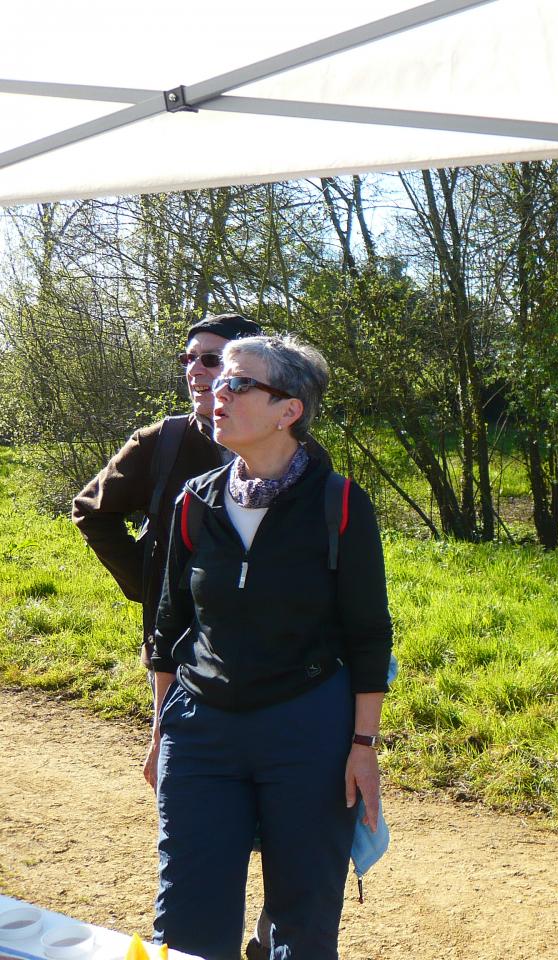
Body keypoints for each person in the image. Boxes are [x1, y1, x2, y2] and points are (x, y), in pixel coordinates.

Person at [148, 335, 393, 960]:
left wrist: (363, 746)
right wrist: (161, 732)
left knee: (304, 923)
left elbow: (369, 636)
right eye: (216, 380)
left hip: (306, 727)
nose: (214, 392)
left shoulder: (340, 504)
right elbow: (169, 627)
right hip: (201, 730)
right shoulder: (193, 501)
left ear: (289, 411)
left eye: (236, 383)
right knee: (186, 922)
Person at [71, 312, 283, 959]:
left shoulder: (281, 443)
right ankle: (197, 933)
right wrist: (147, 581)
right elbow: (91, 509)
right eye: (190, 358)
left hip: (271, 659)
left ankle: (272, 931)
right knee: (195, 800)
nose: (198, 371)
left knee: (279, 796)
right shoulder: (160, 443)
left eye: (213, 360)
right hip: (179, 655)